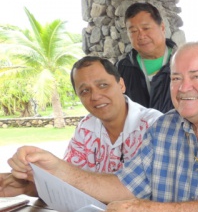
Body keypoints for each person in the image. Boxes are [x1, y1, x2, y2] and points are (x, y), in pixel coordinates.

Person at [6, 42, 198, 212]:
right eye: (176, 78)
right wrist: (57, 168)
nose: (183, 88)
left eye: (196, 77)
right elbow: (125, 186)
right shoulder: (164, 127)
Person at [0, 56, 162, 196]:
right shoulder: (86, 128)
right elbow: (68, 184)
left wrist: (59, 169)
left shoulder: (154, 126)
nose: (96, 96)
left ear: (121, 85)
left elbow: (148, 192)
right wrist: (26, 186)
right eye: (85, 91)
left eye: (103, 85)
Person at [116, 2, 175, 113]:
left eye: (146, 28)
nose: (141, 36)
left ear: (162, 27)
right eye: (133, 31)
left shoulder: (183, 63)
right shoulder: (122, 68)